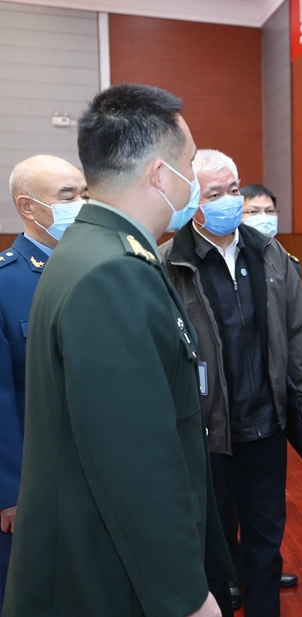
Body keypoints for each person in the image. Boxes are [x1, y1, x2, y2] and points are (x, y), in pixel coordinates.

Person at [4, 84, 231, 617]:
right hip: (108, 573)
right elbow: (134, 460)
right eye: (190, 163)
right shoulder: (112, 272)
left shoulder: (95, 248)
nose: (193, 179)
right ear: (159, 174)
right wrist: (184, 595)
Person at [160, 149, 302, 617]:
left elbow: (300, 327)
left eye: (233, 190)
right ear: (192, 201)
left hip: (267, 426)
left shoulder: (269, 251)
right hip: (207, 433)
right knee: (211, 545)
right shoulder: (168, 261)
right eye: (214, 193)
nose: (229, 200)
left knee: (266, 541)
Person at [0, 155, 88, 614]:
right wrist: (10, 492)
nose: (82, 204)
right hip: (37, 482)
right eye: (67, 196)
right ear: (28, 207)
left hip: (94, 471)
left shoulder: (96, 268)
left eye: (85, 194)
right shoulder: (6, 283)